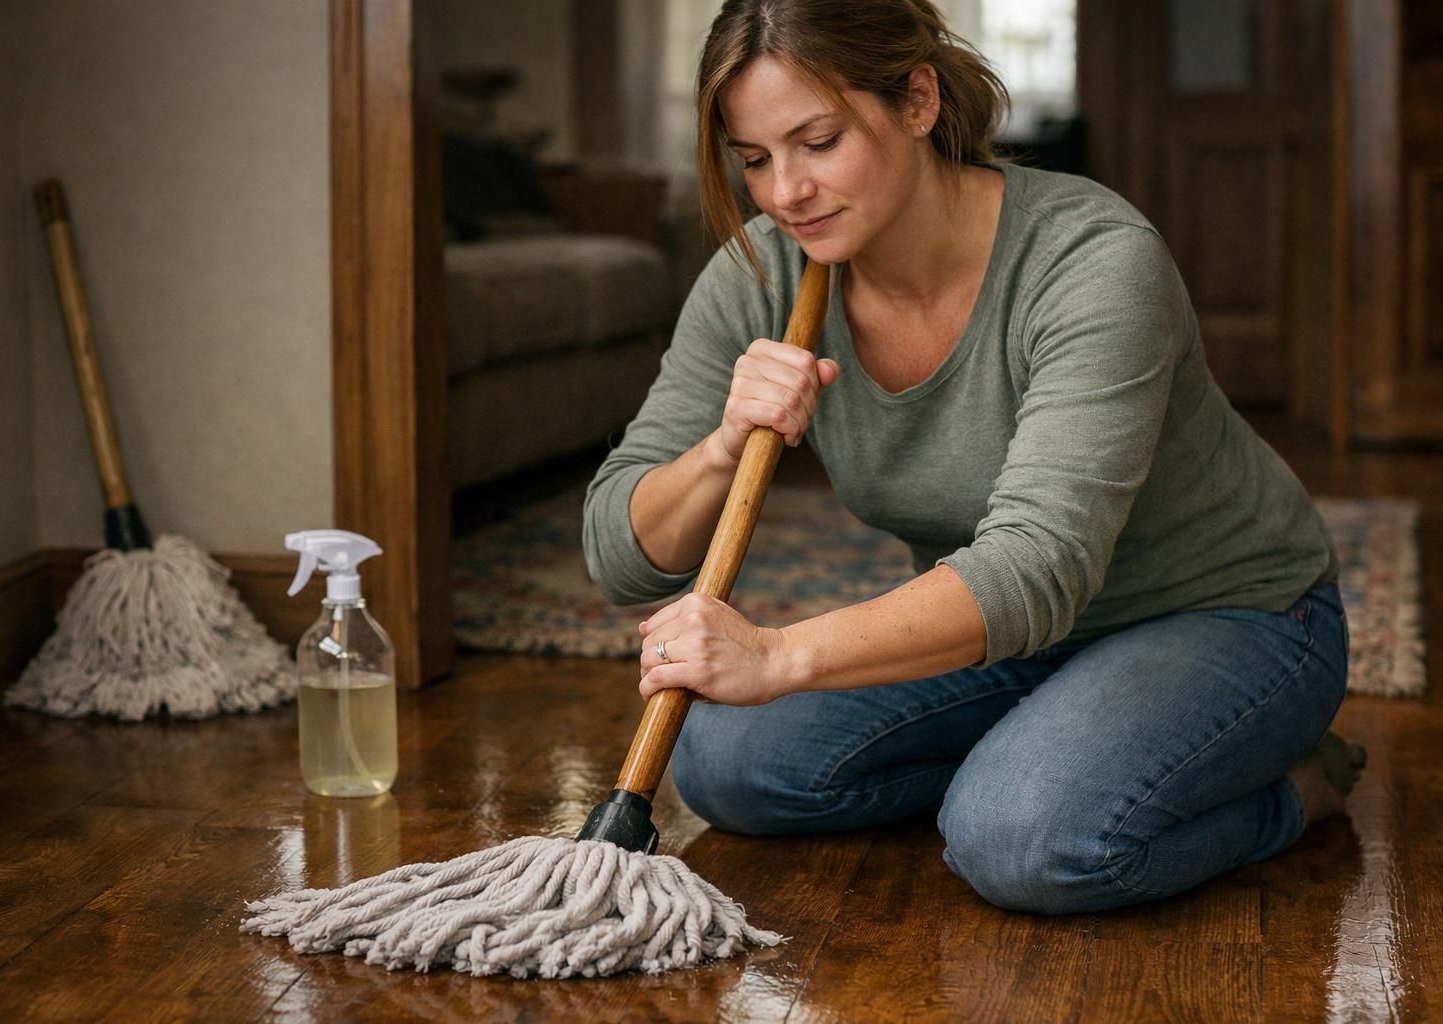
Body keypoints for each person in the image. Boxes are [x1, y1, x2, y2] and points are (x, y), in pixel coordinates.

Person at [581, 0, 1365, 915]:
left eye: (819, 141)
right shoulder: (765, 273)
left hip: (1229, 613)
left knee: (1022, 839)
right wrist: (719, 446)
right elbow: (618, 552)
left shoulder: (1092, 260)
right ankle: (1053, 748)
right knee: (726, 765)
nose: (785, 191)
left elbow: (1038, 567)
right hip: (1006, 639)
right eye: (754, 159)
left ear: (916, 101)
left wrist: (779, 657)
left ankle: (1293, 786)